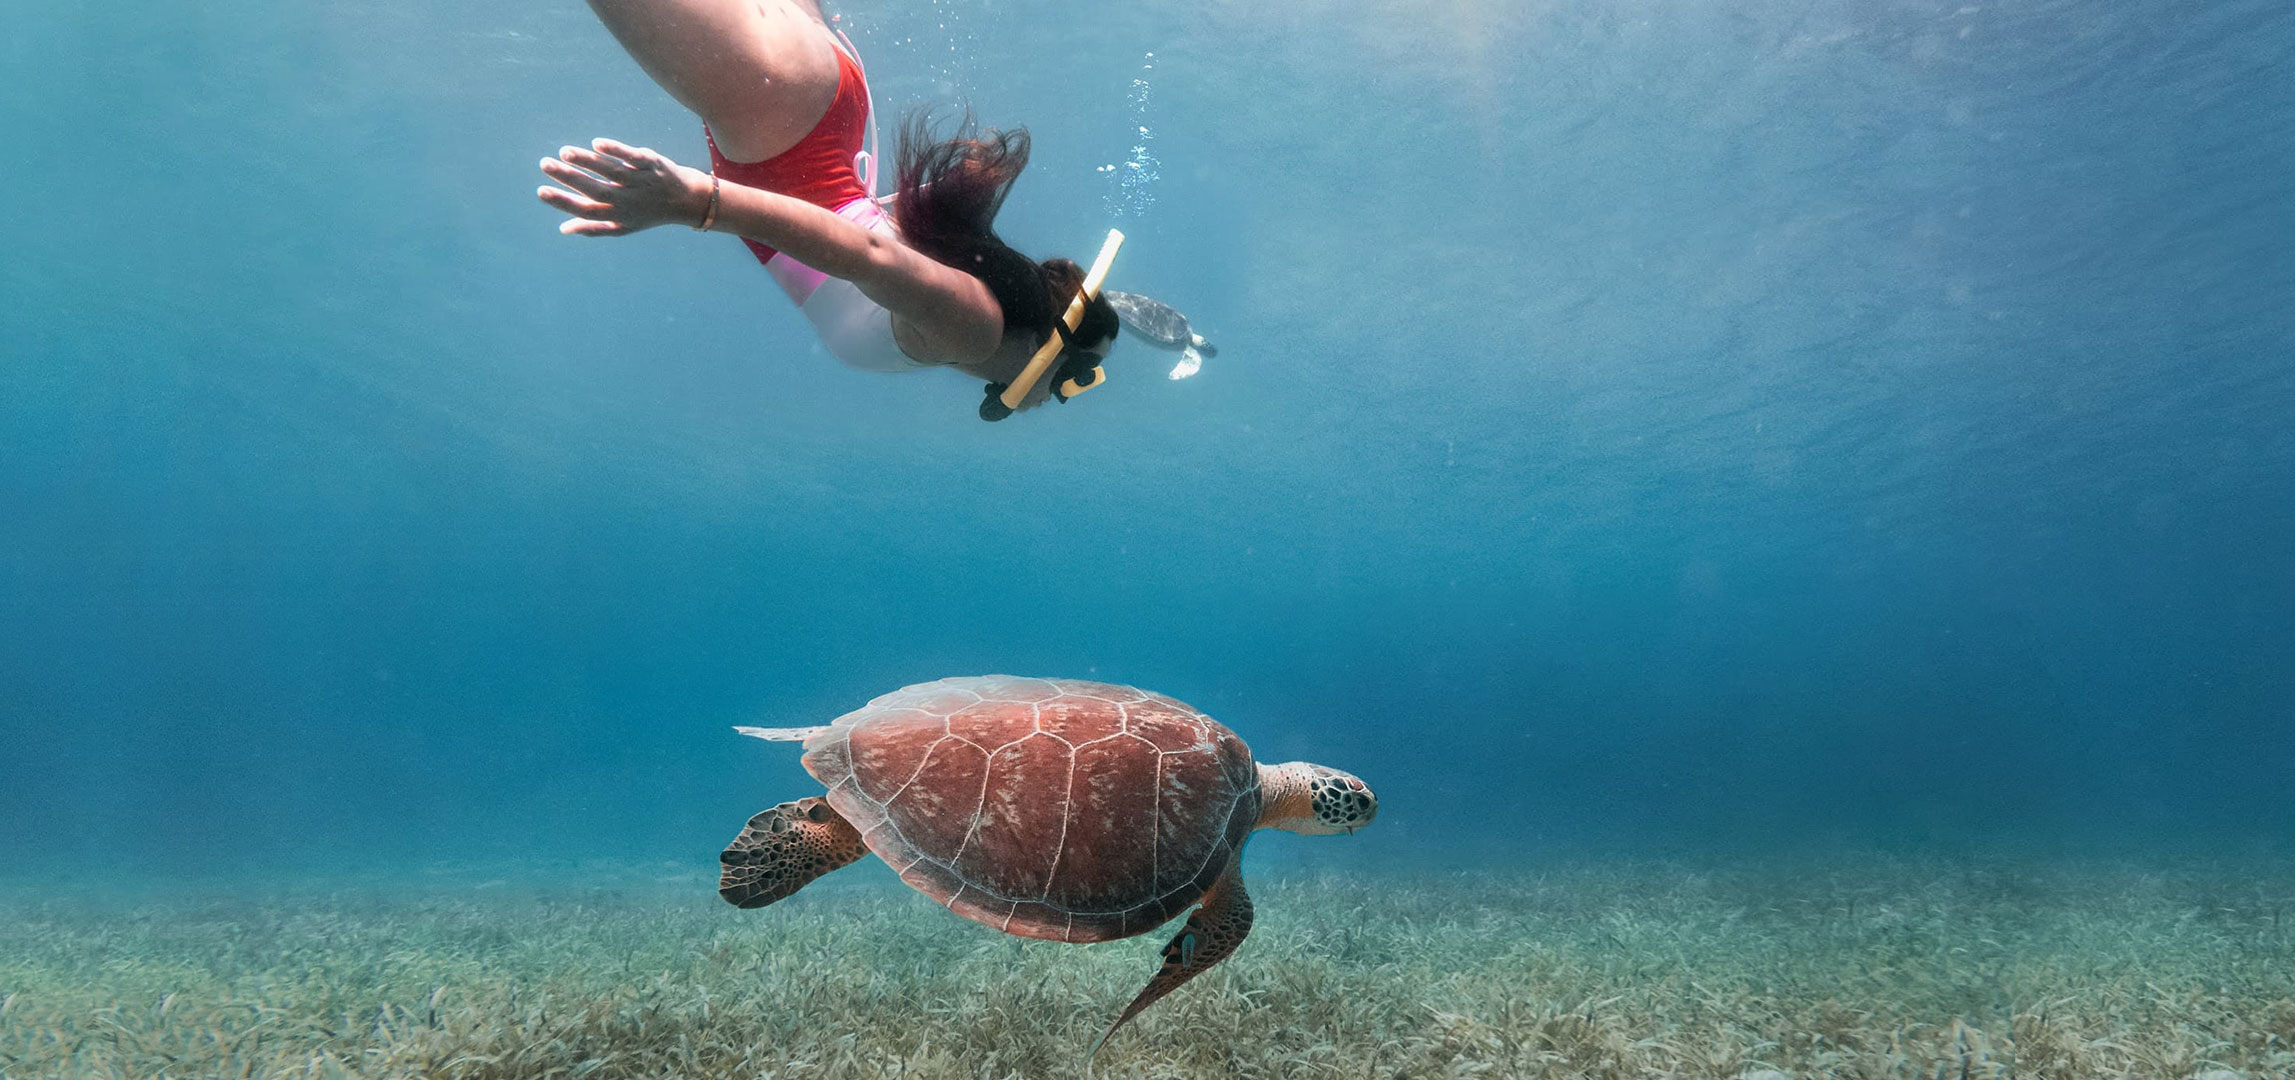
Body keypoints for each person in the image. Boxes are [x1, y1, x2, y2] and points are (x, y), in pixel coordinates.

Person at [538, 0, 1119, 410]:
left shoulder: (975, 304)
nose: (1058, 399)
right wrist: (698, 203)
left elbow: (876, 241)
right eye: (1078, 379)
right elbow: (868, 256)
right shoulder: (976, 331)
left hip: (811, 107)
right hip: (776, 122)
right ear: (1051, 349)